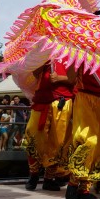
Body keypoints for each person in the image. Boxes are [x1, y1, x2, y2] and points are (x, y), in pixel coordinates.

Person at [65, 58, 100, 199]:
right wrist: (74, 59)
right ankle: (73, 183)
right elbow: (70, 78)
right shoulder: (82, 49)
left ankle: (84, 190)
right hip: (85, 96)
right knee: (88, 140)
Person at [23, 59, 75, 191]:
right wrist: (43, 59)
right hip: (41, 100)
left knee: (57, 142)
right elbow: (35, 74)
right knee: (32, 136)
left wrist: (59, 78)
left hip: (62, 101)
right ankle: (33, 173)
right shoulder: (44, 51)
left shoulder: (70, 51)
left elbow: (73, 79)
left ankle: (49, 178)